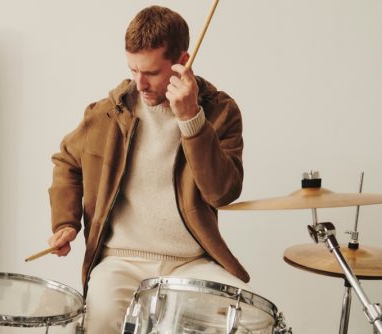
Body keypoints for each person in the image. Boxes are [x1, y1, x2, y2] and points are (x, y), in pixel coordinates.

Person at [48, 5, 250, 333]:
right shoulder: (106, 114)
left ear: (182, 62)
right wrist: (65, 221)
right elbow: (67, 162)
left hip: (191, 261)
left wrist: (191, 119)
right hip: (119, 260)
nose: (139, 84)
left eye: (152, 73)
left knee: (239, 318)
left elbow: (223, 192)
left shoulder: (220, 111)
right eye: (133, 70)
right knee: (98, 320)